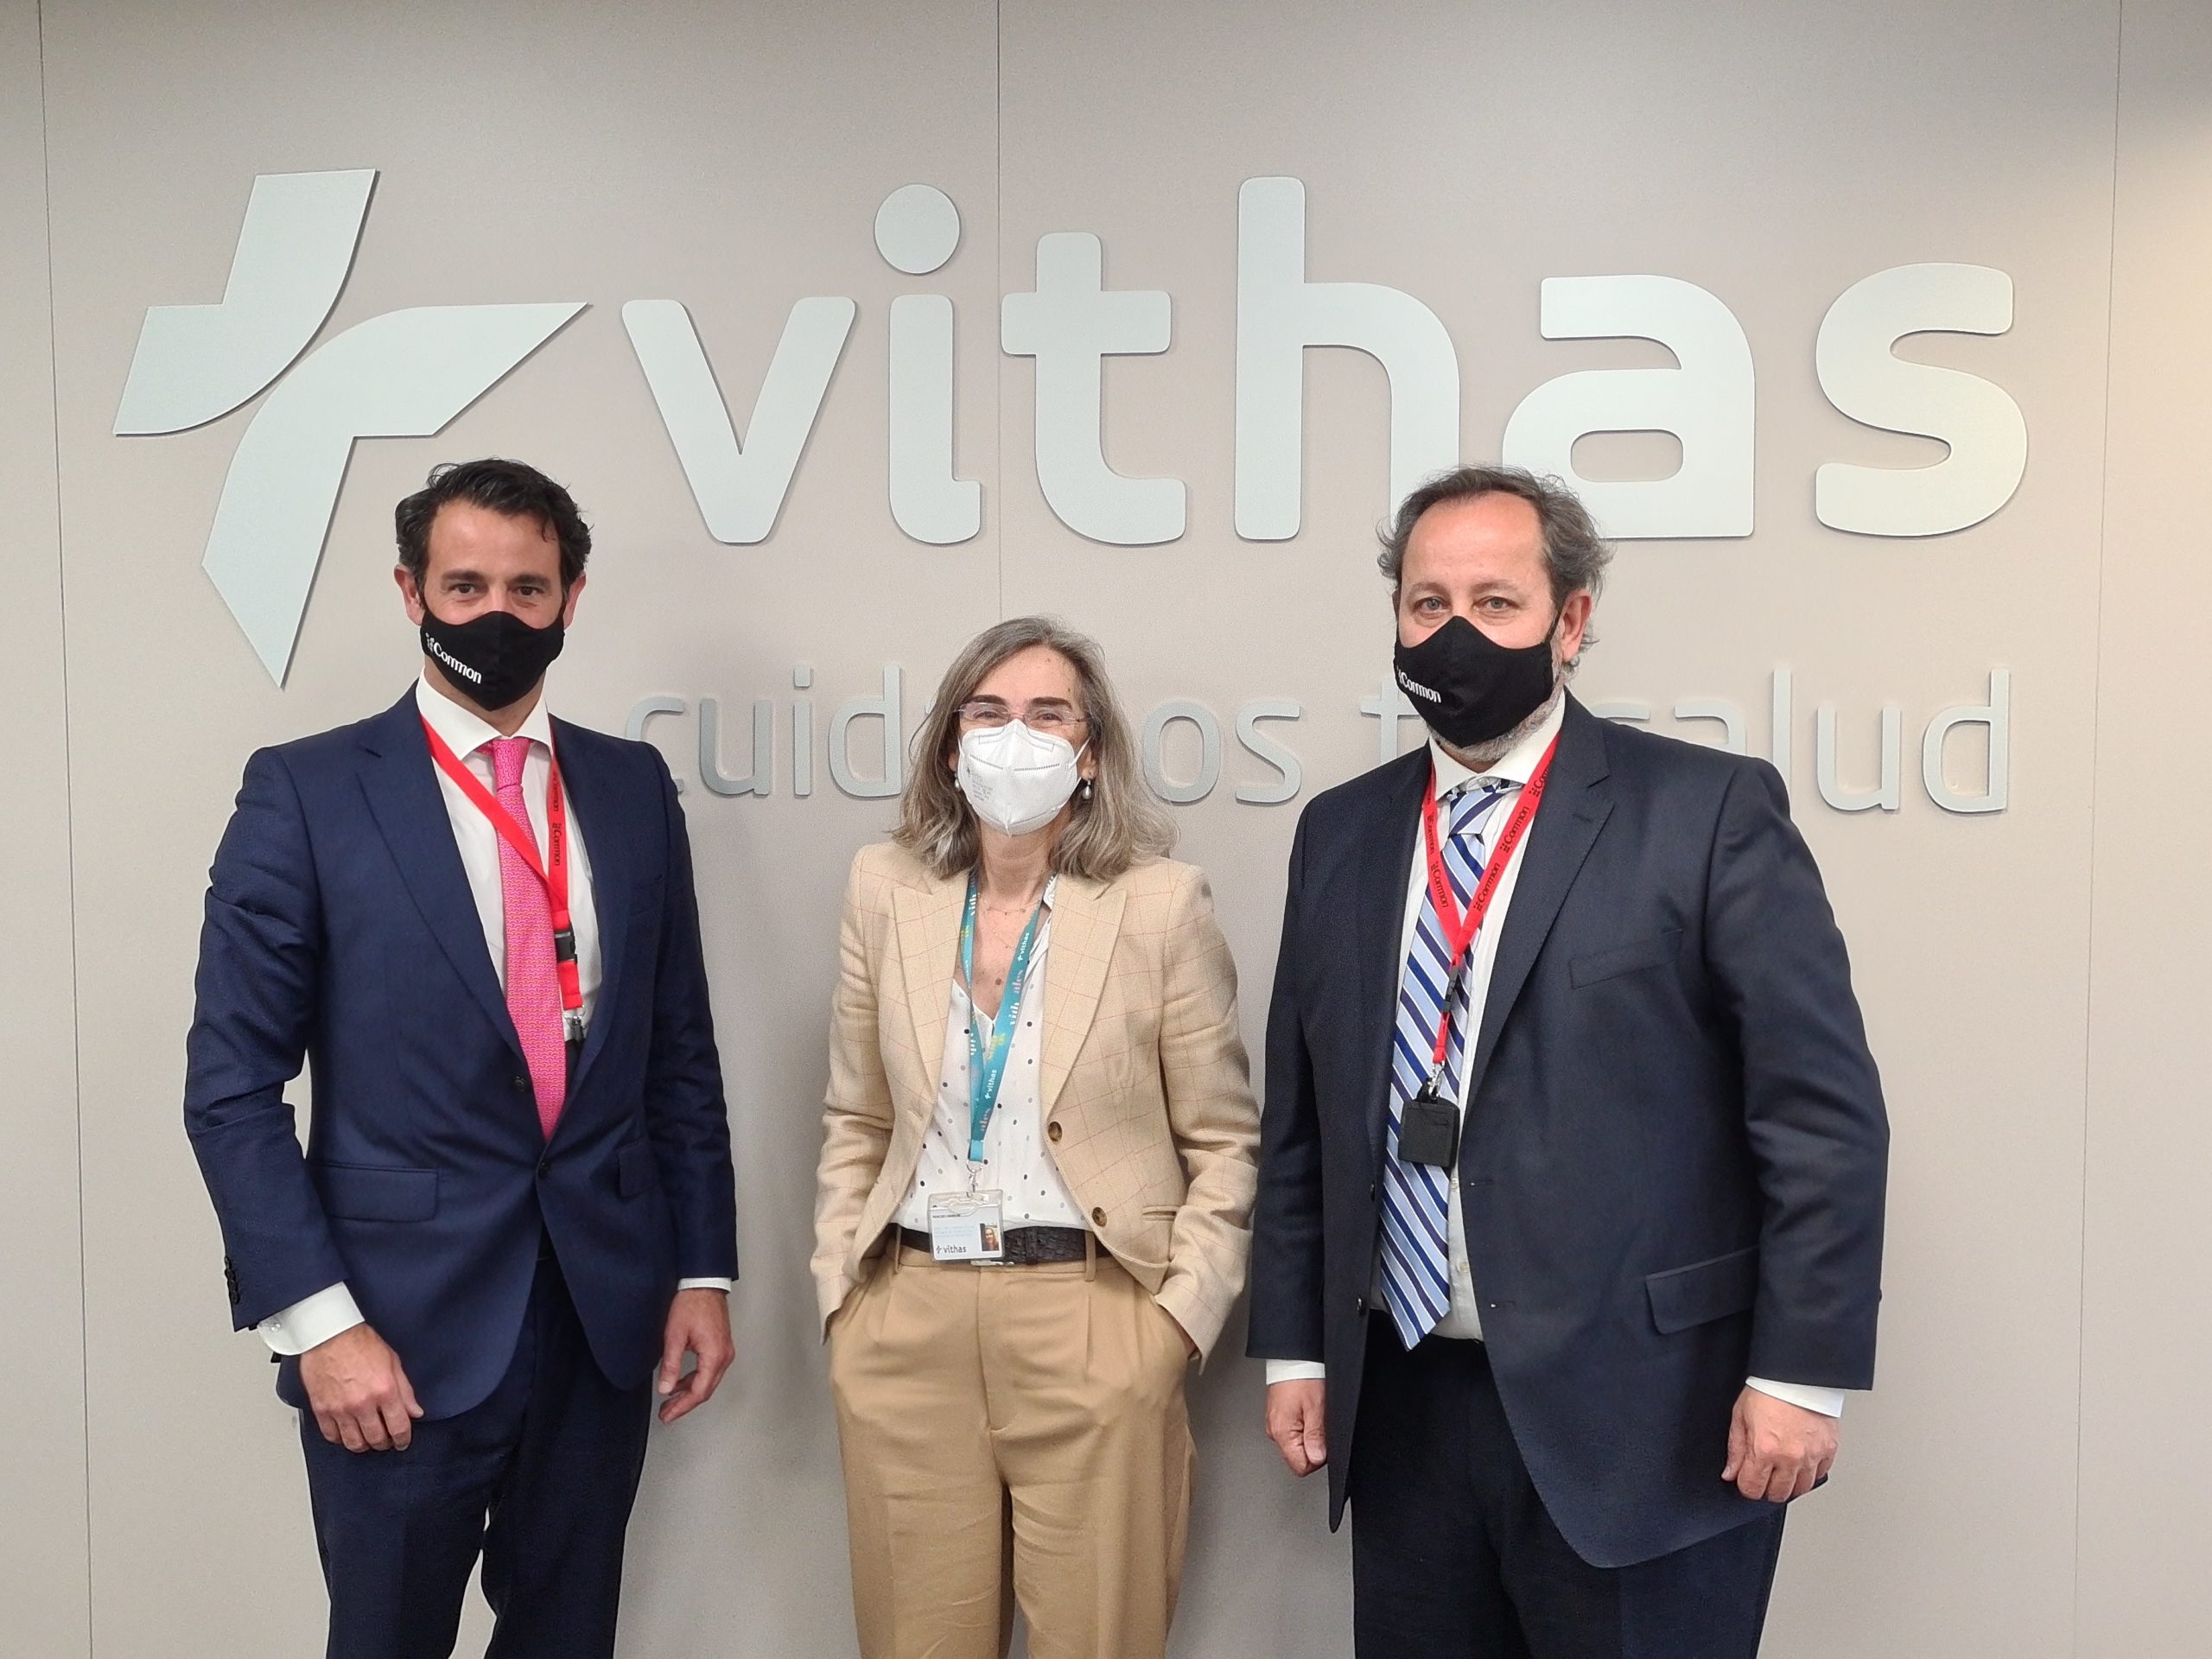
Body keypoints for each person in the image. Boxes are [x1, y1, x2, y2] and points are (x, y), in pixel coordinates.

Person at [1249, 465, 1889, 1658]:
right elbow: (1301, 1120)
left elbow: (1821, 1120)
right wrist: (1296, 1342)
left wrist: (1801, 1374)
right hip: (1405, 1404)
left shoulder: (1705, 812)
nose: (1455, 634)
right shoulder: (1340, 831)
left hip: (1649, 1420)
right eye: (1428, 603)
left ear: (1571, 620)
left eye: (1495, 603)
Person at [182, 458, 739, 1659]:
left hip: (600, 1321)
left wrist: (703, 1269)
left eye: (527, 590)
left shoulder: (632, 788)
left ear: (571, 598)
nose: (497, 613)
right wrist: (319, 1325)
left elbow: (677, 1056)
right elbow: (231, 1091)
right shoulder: (306, 793)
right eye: (466, 585)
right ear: (411, 592)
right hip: (393, 1336)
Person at [812, 615, 1260, 1659]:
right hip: (909, 1321)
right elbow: (857, 1115)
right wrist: (844, 1298)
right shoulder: (885, 888)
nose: (1015, 737)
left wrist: (1170, 1329)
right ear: (950, 744)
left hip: (1093, 1316)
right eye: (988, 712)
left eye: (1048, 715)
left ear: (1089, 752)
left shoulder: (1159, 904)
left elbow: (1223, 1140)